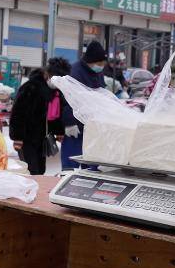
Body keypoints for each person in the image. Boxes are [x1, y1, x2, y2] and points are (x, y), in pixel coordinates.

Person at [9, 57, 71, 175]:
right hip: (27, 138)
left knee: (41, 169)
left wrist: (59, 131)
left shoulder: (56, 91)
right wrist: (17, 137)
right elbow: (18, 113)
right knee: (31, 169)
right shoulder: (30, 87)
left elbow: (56, 113)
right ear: (47, 74)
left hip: (42, 138)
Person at [61, 41, 106, 170]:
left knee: (91, 158)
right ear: (90, 61)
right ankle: (67, 179)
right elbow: (68, 99)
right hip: (76, 125)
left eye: (103, 64)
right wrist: (69, 122)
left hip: (92, 124)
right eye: (99, 63)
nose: (101, 66)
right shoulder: (75, 72)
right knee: (72, 159)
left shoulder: (97, 71)